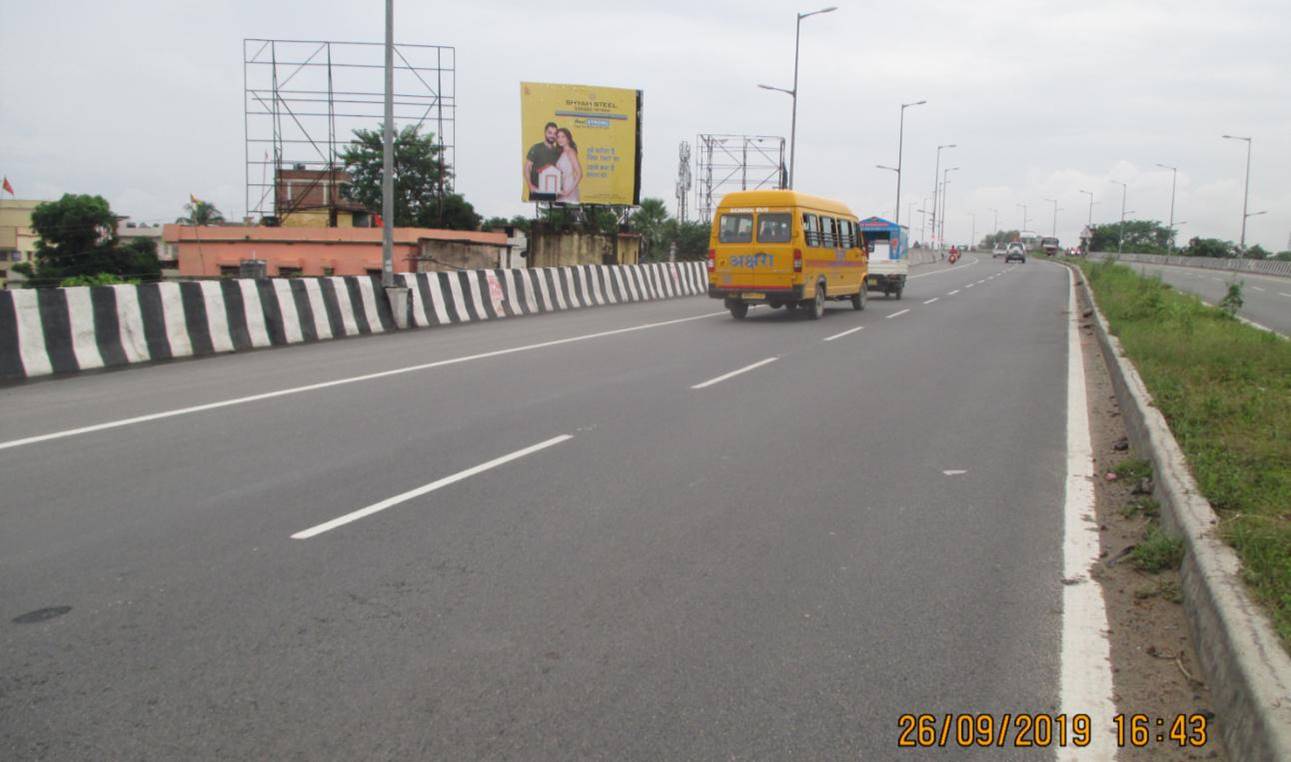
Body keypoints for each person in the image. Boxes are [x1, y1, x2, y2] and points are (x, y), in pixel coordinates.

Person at [523, 122, 563, 200]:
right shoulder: (536, 148)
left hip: (552, 192)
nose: (552, 136)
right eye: (549, 133)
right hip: (537, 191)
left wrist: (560, 188)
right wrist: (530, 185)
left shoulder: (558, 152)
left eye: (554, 133)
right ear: (545, 133)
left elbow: (560, 172)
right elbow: (527, 168)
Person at [554, 127, 582, 203]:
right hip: (561, 189)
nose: (560, 139)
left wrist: (568, 191)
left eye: (563, 136)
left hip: (569, 188)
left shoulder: (570, 152)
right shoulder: (562, 152)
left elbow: (579, 174)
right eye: (558, 137)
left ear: (568, 138)